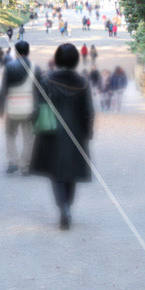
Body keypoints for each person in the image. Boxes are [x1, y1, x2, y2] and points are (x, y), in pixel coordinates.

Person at [30, 43, 94, 230]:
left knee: (56, 173)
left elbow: (39, 105)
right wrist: (88, 132)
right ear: (75, 60)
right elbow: (88, 111)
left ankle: (63, 207)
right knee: (71, 172)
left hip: (52, 130)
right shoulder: (82, 82)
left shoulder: (46, 79)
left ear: (57, 59)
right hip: (75, 131)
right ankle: (68, 205)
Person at [0, 40, 40, 175]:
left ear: (16, 52)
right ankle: (25, 165)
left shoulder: (9, 67)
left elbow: (4, 89)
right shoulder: (35, 67)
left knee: (10, 134)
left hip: (12, 108)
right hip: (29, 108)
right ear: (28, 51)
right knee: (29, 137)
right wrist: (37, 107)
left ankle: (13, 161)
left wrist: (0, 107)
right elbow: (40, 91)